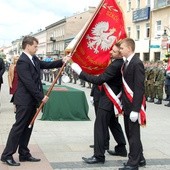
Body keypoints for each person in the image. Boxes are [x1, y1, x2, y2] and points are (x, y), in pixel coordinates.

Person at [1, 36, 70, 166]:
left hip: (31, 100)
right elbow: (28, 83)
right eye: (35, 46)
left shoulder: (33, 59)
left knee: (28, 127)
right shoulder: (22, 61)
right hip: (24, 100)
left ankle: (24, 153)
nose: (37, 48)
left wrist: (62, 61)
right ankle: (7, 155)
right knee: (19, 127)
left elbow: (46, 64)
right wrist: (41, 96)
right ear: (28, 46)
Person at [71, 42, 127, 164]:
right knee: (113, 123)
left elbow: (99, 80)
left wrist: (80, 72)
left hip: (107, 100)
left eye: (114, 50)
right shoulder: (119, 63)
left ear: (119, 53)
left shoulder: (115, 65)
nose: (111, 52)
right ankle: (121, 148)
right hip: (113, 99)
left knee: (100, 127)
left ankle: (99, 155)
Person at [119, 38, 146, 170]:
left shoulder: (137, 63)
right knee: (130, 133)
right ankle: (140, 158)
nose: (120, 50)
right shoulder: (127, 63)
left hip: (133, 106)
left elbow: (139, 87)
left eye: (122, 48)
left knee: (133, 135)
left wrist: (136, 110)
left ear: (129, 48)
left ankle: (133, 163)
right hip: (127, 105)